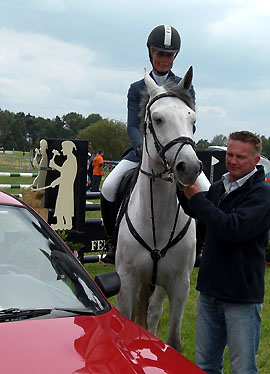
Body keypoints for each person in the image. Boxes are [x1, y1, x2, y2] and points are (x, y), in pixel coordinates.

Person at [101, 24, 209, 264]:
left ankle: (200, 246)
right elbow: (132, 124)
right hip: (141, 152)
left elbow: (189, 122)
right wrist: (139, 145)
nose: (164, 59)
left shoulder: (185, 86)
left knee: (207, 189)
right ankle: (112, 242)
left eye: (169, 55)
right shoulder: (137, 88)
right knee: (108, 186)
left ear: (174, 57)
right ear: (150, 53)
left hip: (174, 152)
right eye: (160, 53)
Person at [182, 131, 270, 374]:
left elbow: (232, 228)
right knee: (205, 366)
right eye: (229, 154)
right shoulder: (220, 186)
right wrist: (183, 187)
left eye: (240, 157)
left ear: (256, 160)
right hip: (210, 291)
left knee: (243, 368)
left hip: (240, 296)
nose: (232, 161)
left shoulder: (262, 194)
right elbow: (200, 213)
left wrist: (197, 199)